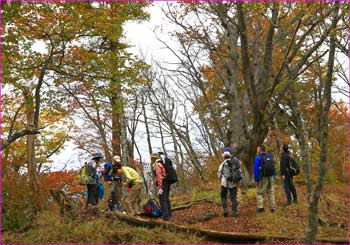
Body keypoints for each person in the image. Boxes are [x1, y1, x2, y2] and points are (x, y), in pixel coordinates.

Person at [217, 148, 242, 217]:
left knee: (223, 196)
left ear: (224, 156)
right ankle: (234, 211)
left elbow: (219, 174)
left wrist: (220, 180)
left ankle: (225, 209)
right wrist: (239, 181)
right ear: (230, 154)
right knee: (233, 197)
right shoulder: (236, 162)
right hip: (233, 183)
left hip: (224, 183)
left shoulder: (222, 164)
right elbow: (239, 172)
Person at [253, 145, 276, 213]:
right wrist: (274, 175)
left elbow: (256, 169)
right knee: (271, 192)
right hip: (271, 176)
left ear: (260, 150)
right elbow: (273, 166)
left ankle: (261, 208)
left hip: (263, 177)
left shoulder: (258, 157)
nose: (257, 150)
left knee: (260, 192)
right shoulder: (269, 156)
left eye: (257, 149)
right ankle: (272, 208)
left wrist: (256, 179)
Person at [152, 152, 173, 221]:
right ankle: (169, 215)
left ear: (154, 158)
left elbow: (159, 176)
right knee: (166, 199)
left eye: (152, 158)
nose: (151, 159)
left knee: (162, 200)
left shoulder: (157, 164)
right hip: (167, 182)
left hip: (162, 183)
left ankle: (166, 217)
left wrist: (160, 187)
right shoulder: (162, 163)